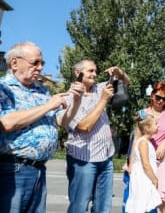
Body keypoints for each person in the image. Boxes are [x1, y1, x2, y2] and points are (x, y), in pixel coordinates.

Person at [0, 41, 84, 212]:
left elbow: (62, 121)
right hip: (13, 170)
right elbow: (7, 123)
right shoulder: (4, 89)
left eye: (42, 63)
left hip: (39, 169)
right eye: (35, 63)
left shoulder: (41, 91)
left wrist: (76, 101)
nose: (39, 68)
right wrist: (48, 105)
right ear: (14, 63)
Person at [65, 59, 130, 213]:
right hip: (83, 161)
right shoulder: (70, 97)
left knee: (103, 207)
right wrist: (103, 100)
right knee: (79, 206)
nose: (95, 74)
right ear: (77, 73)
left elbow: (126, 82)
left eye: (95, 70)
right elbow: (84, 126)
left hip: (105, 158)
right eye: (90, 71)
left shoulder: (99, 87)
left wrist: (119, 72)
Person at [134, 81, 165, 213]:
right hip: (146, 159)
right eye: (158, 97)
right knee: (144, 194)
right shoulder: (142, 113)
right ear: (152, 95)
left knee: (160, 198)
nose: (161, 101)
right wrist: (131, 163)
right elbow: (136, 138)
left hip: (164, 159)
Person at [125, 114, 162, 213]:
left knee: (145, 204)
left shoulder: (146, 142)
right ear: (147, 128)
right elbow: (145, 164)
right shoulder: (143, 143)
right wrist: (154, 179)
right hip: (142, 178)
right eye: (156, 124)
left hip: (145, 177)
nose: (158, 126)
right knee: (140, 204)